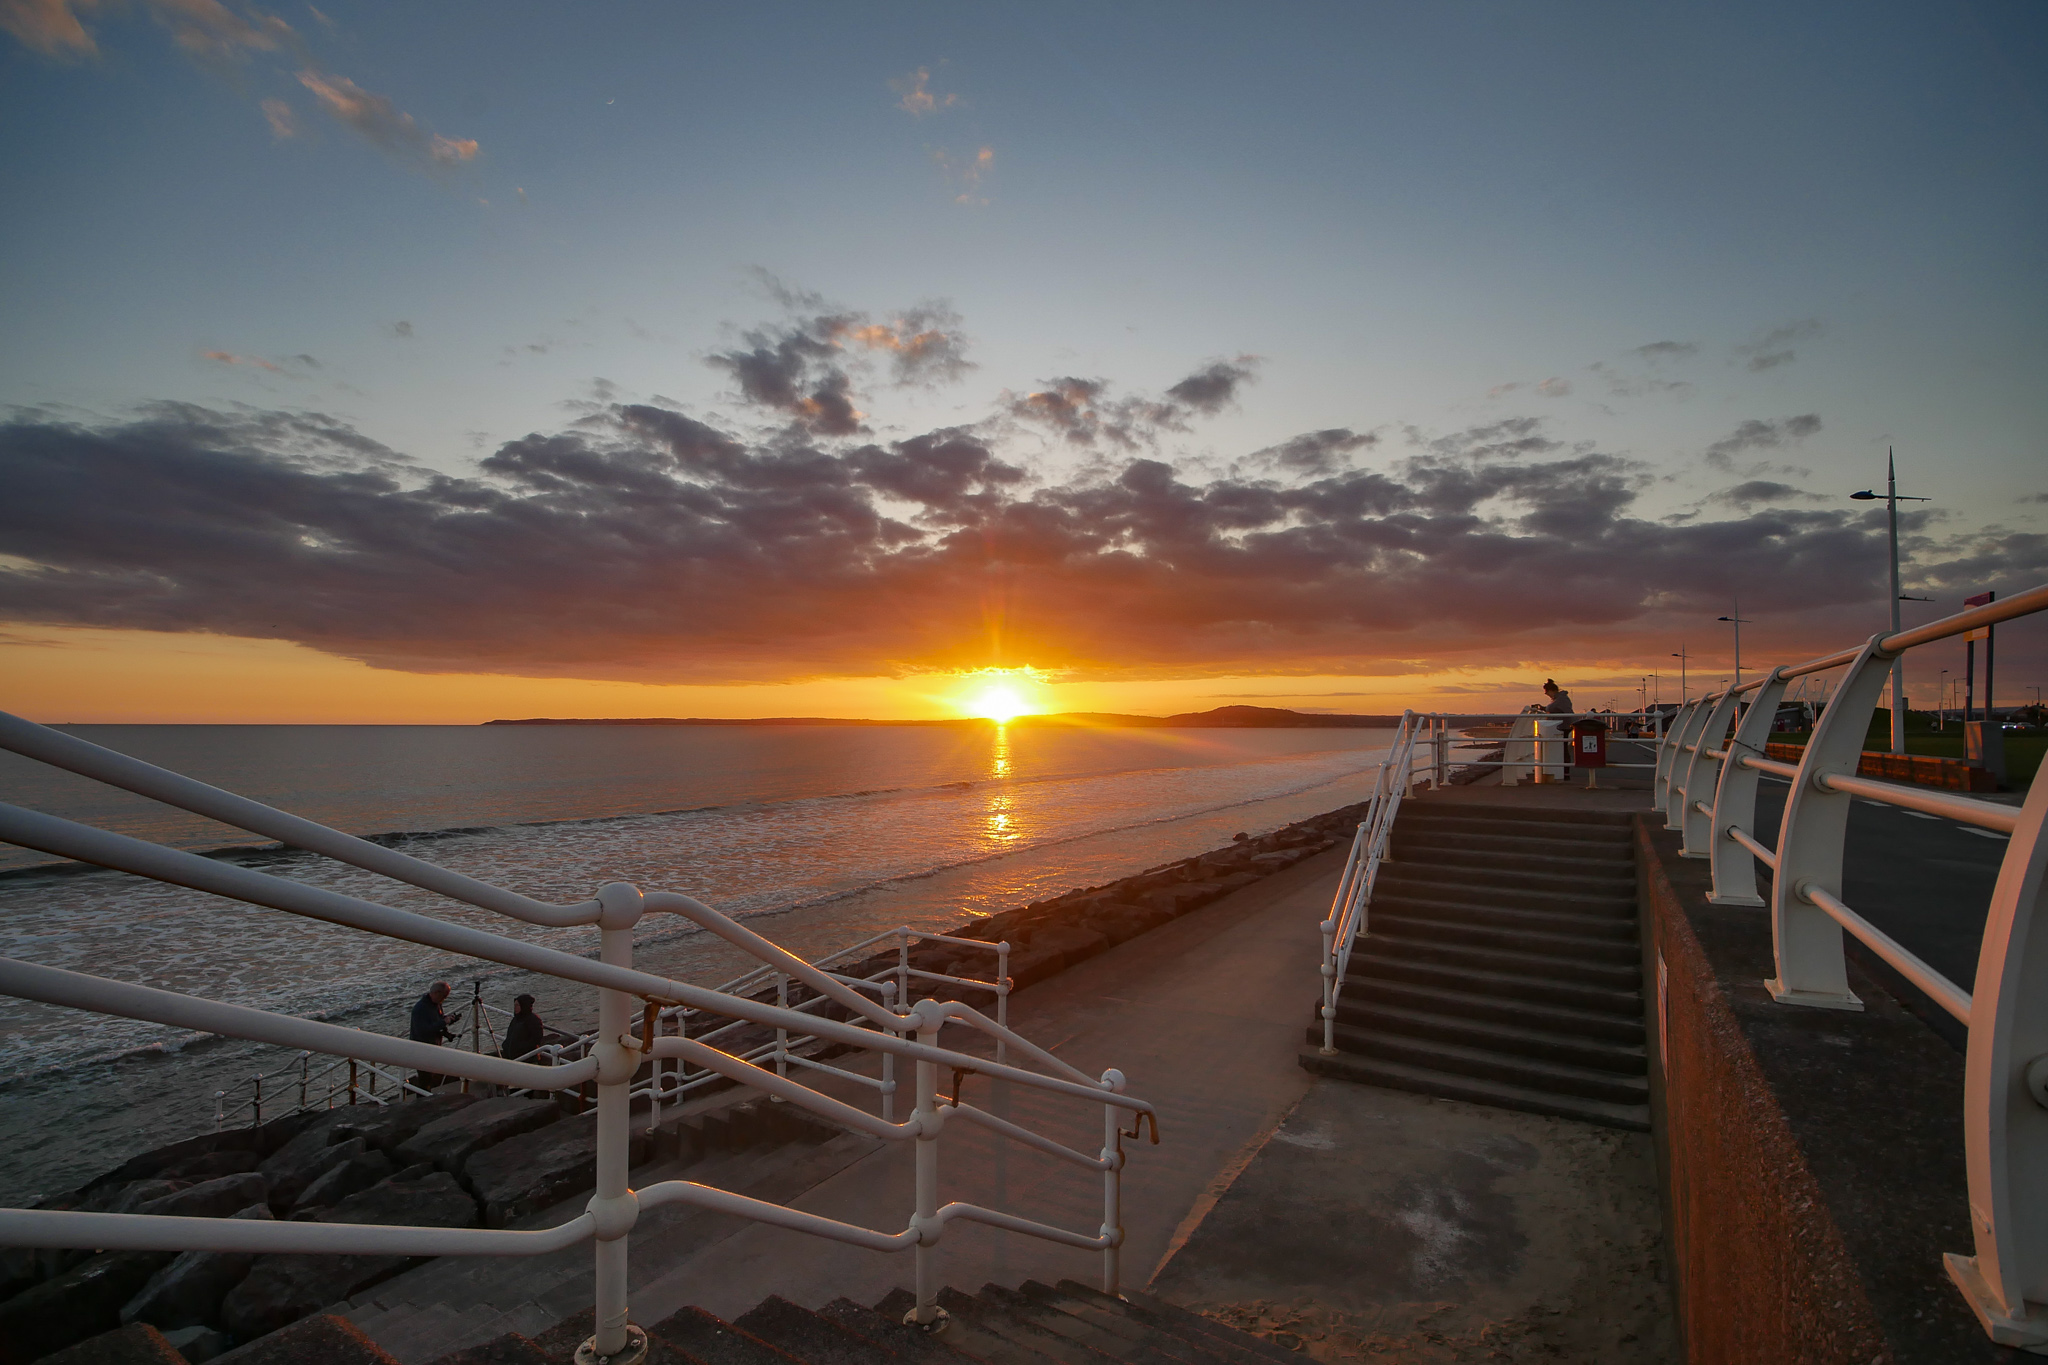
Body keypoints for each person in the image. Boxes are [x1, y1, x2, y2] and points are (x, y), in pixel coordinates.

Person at [409, 980, 459, 1090]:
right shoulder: (420, 1009)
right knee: (425, 1078)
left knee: (431, 1077)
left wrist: (449, 1020)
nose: (444, 999)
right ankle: (423, 1101)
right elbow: (423, 1030)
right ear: (436, 993)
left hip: (433, 1046)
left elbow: (437, 1021)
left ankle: (426, 1098)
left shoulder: (436, 1004)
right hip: (422, 1049)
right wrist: (443, 1022)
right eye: (443, 996)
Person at [501, 994, 545, 1062]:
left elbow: (536, 1039)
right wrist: (505, 1046)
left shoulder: (533, 1020)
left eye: (517, 1005)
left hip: (526, 1059)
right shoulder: (516, 1019)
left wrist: (520, 1049)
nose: (515, 1007)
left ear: (523, 1005)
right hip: (512, 1057)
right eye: (514, 1005)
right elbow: (510, 1036)